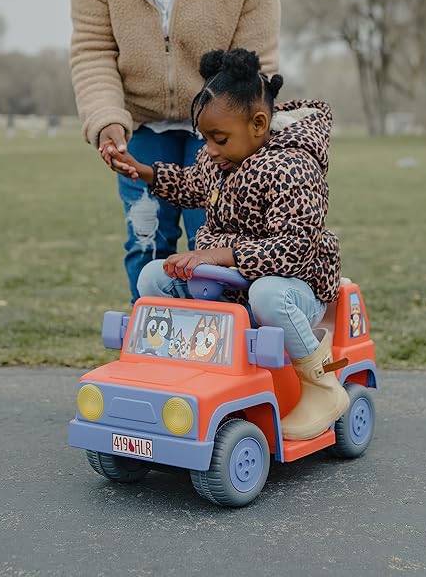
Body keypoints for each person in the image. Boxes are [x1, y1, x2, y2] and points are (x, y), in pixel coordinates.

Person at [70, 0, 280, 304]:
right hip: (140, 126)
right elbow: (93, 47)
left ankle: (223, 359)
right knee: (147, 246)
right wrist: (106, 122)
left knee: (215, 249)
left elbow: (259, 69)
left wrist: (238, 144)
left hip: (218, 130)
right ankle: (152, 356)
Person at [114, 48, 349, 441]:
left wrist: (218, 255)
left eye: (218, 138)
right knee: (155, 276)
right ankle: (184, 364)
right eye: (204, 139)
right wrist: (147, 173)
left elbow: (292, 250)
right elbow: (193, 185)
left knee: (268, 293)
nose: (208, 149)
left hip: (296, 291)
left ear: (258, 124)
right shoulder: (220, 160)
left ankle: (322, 387)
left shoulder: (293, 167)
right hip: (230, 286)